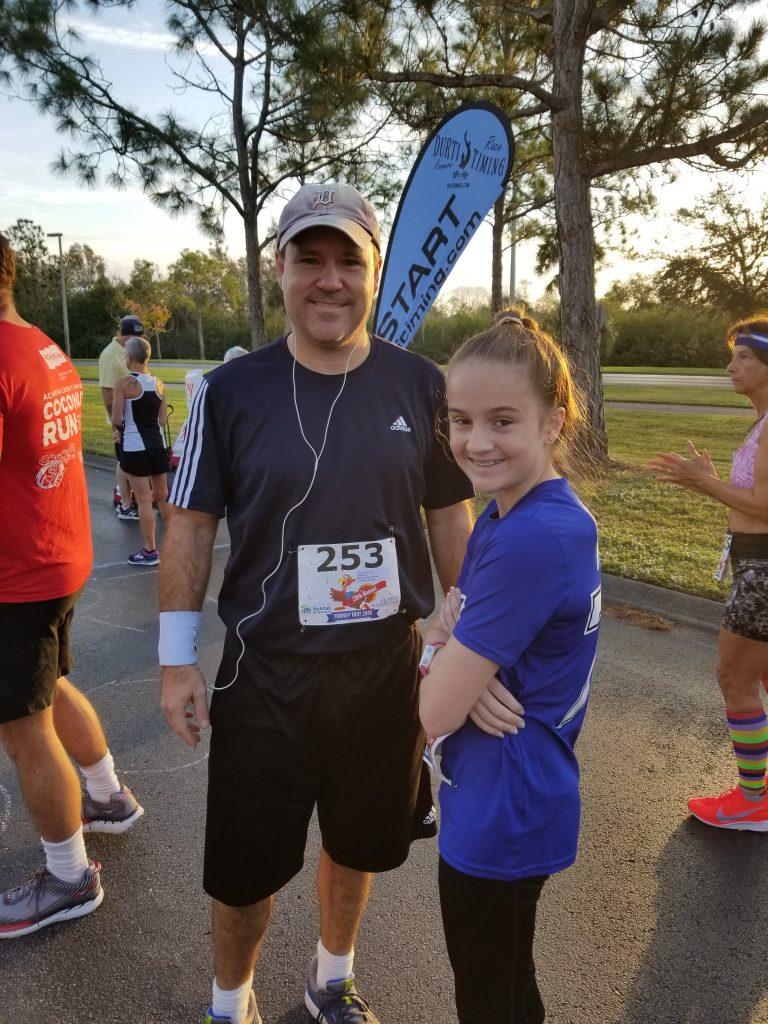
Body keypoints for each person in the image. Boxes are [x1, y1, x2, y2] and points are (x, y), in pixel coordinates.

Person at [159, 182, 475, 1024]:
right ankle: (231, 1003)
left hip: (384, 672)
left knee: (359, 841)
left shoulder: (421, 384)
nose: (329, 280)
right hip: (267, 676)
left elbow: (450, 514)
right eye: (310, 259)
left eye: (349, 261)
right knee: (242, 868)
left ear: (374, 273)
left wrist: (469, 641)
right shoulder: (231, 393)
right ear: (281, 268)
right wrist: (173, 659)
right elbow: (189, 524)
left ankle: (330, 976)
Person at [418, 311, 601, 1024]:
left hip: (505, 808)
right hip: (507, 789)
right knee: (509, 985)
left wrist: (441, 656)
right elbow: (456, 615)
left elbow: (432, 711)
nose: (475, 442)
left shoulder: (533, 535)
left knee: (489, 1000)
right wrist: (457, 658)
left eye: (502, 420)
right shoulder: (509, 513)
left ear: (554, 421)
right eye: (460, 420)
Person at [0, 232, 143, 939]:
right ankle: (108, 797)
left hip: (17, 573)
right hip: (55, 556)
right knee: (49, 687)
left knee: (23, 728)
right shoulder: (41, 345)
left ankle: (67, 876)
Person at [649, 314, 768, 831]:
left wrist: (704, 483)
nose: (730, 365)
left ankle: (752, 800)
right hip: (755, 563)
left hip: (763, 571)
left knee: (733, 679)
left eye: (744, 356)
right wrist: (713, 483)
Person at [112, 336, 171, 566]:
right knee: (162, 496)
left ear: (130, 357)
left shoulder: (123, 383)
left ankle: (150, 552)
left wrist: (121, 427)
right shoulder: (159, 384)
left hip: (135, 447)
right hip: (157, 445)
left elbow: (117, 419)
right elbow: (163, 420)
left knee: (145, 500)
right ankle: (176, 545)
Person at [99, 314, 142, 520]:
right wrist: (116, 425)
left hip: (138, 418)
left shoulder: (133, 349)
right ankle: (125, 504)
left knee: (133, 458)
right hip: (121, 419)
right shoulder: (110, 355)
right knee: (125, 460)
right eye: (133, 336)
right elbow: (107, 395)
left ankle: (132, 495)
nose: (138, 340)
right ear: (123, 335)